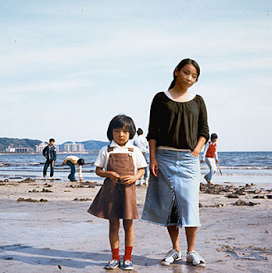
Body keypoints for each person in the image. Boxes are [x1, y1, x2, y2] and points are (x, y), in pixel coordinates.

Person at [141, 59, 209, 267]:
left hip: (189, 160)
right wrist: (152, 158)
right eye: (187, 73)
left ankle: (191, 251)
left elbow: (204, 130)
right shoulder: (161, 99)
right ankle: (175, 249)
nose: (190, 78)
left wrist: (196, 150)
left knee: (189, 205)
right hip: (164, 157)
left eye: (194, 76)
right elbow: (152, 132)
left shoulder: (198, 100)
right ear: (177, 71)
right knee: (170, 207)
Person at [88, 115, 147, 271]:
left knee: (129, 224)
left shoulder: (134, 150)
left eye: (125, 131)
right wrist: (109, 174)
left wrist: (134, 177)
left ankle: (127, 258)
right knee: (113, 224)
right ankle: (114, 257)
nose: (121, 134)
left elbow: (142, 170)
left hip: (128, 191)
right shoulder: (106, 150)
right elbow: (98, 170)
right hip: (111, 191)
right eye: (117, 131)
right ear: (111, 132)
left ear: (131, 133)